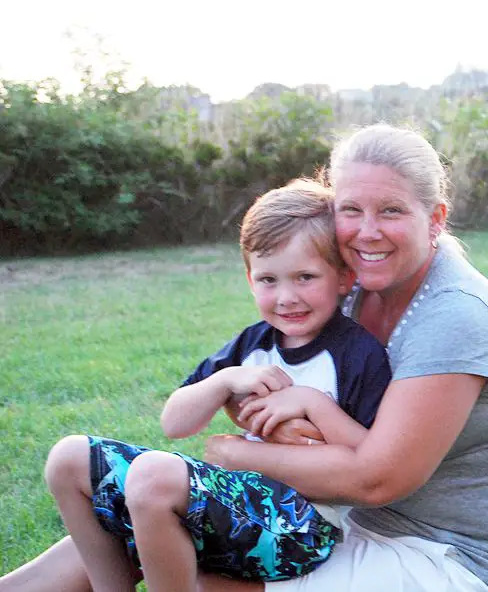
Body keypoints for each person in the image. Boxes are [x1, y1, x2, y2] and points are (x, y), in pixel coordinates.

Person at [0, 124, 488, 592]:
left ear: (436, 218)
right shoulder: (348, 285)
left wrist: (230, 451)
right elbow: (266, 384)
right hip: (327, 508)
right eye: (350, 210)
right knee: (133, 520)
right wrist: (264, 410)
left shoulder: (459, 316)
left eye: (392, 211)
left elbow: (376, 479)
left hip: (442, 557)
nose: (367, 231)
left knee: (181, 559)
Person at [35, 179, 392, 592]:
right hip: (236, 501)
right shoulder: (252, 344)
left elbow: (370, 457)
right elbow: (175, 423)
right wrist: (224, 380)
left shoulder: (356, 352)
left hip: (304, 525)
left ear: (345, 277)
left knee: (154, 475)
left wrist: (312, 403)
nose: (286, 297)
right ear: (249, 279)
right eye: (269, 280)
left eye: (305, 277)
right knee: (69, 458)